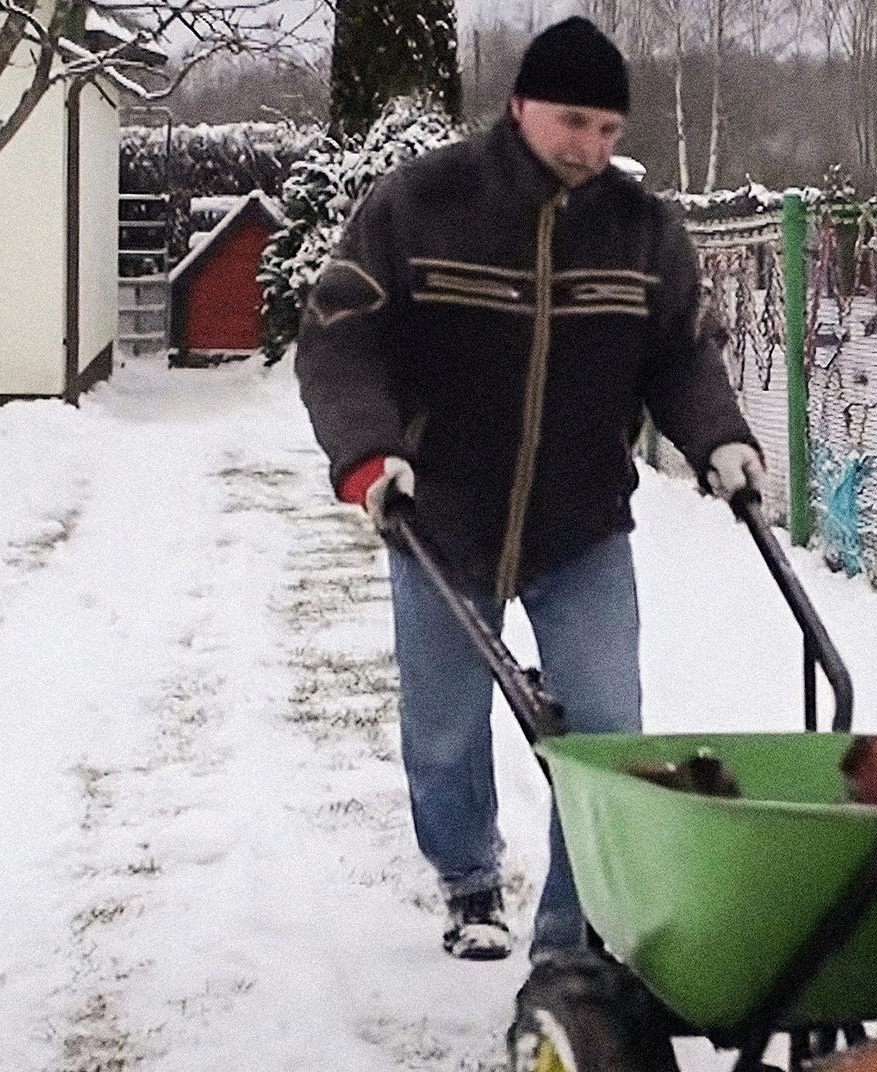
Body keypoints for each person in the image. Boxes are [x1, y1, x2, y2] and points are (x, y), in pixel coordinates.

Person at [295, 16, 766, 962]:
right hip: (442, 514)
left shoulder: (642, 230)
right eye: (573, 121)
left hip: (581, 519)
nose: (590, 147)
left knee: (606, 727)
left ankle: (572, 932)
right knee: (443, 725)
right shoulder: (422, 203)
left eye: (608, 131)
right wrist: (368, 452)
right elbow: (341, 333)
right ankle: (470, 881)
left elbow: (679, 354)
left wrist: (717, 437)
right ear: (518, 107)